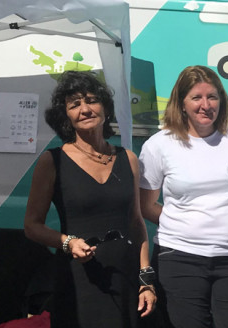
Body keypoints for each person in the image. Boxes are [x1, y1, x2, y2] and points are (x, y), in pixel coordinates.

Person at [24, 70, 156, 328]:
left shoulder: (128, 158)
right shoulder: (52, 161)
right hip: (78, 280)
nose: (85, 109)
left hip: (125, 278)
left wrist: (146, 279)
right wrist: (67, 242)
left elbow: (137, 223)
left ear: (105, 108)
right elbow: (32, 226)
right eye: (74, 104)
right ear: (66, 116)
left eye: (91, 100)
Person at [139, 66, 228, 328]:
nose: (206, 105)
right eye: (196, 98)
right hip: (180, 257)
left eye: (212, 97)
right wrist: (182, 222)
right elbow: (146, 206)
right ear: (181, 103)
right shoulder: (159, 144)